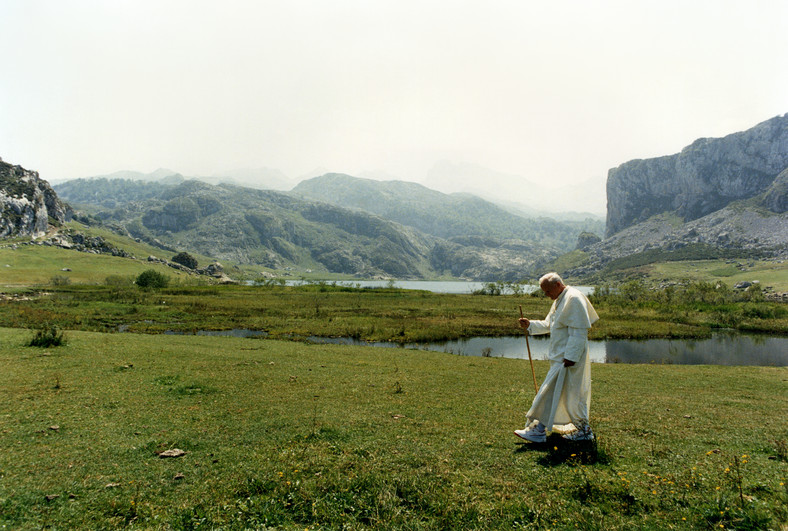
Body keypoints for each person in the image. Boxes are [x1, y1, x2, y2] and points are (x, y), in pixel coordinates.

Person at [514, 272, 599, 442]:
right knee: (561, 394)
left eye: (547, 291)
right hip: (561, 358)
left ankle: (540, 430)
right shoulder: (560, 299)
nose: (547, 295)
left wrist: (571, 357)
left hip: (568, 359)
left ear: (558, 285)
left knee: (558, 392)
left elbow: (579, 332)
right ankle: (580, 429)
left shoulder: (573, 298)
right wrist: (531, 325)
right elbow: (549, 324)